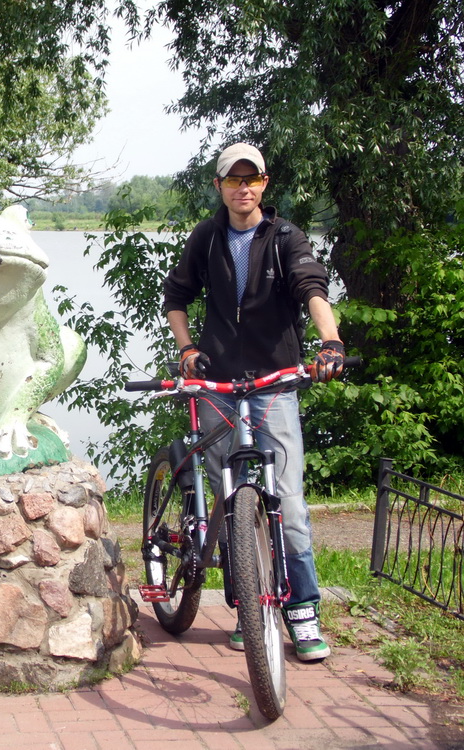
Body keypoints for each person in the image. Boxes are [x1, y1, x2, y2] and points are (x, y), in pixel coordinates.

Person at [163, 142, 345, 661]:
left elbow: (312, 287)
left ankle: (302, 612)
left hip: (273, 383)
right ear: (219, 186)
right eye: (233, 180)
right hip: (219, 385)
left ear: (265, 183)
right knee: (230, 500)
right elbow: (176, 296)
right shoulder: (207, 236)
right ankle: (247, 609)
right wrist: (187, 349)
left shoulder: (285, 237)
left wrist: (330, 341)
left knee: (287, 503)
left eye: (252, 179)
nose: (243, 188)